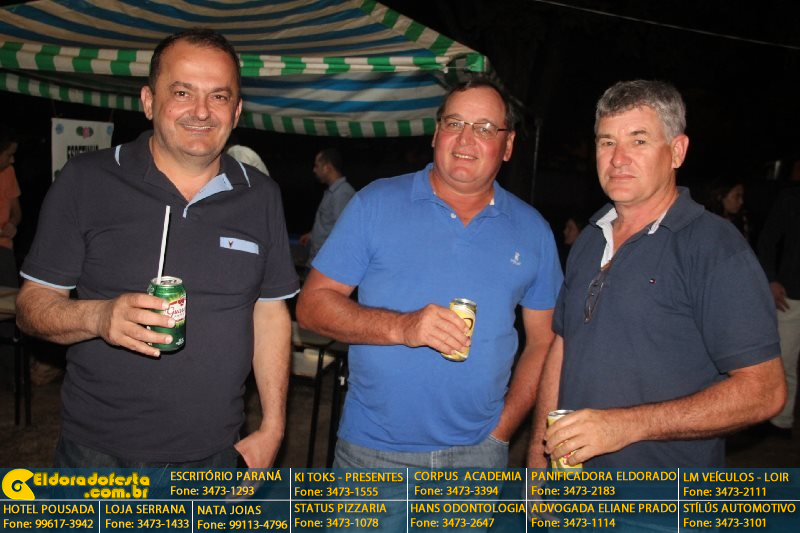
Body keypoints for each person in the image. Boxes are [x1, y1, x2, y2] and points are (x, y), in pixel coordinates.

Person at [15, 28, 299, 468]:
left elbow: (270, 313)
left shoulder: (261, 195)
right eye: (182, 92)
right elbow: (32, 307)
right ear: (148, 101)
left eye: (219, 96)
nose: (201, 111)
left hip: (216, 455)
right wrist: (98, 316)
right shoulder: (86, 180)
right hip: (97, 457)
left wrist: (273, 427)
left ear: (237, 110)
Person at [296, 77, 562, 470]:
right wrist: (403, 327)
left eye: (485, 128)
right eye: (454, 123)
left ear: (507, 146)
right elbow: (311, 307)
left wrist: (503, 430)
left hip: (479, 457)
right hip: (373, 453)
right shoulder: (375, 203)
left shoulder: (533, 230)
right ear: (436, 134)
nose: (465, 139)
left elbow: (544, 342)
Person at [528, 80, 784, 471]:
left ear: (677, 151)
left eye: (639, 140)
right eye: (607, 142)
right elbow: (562, 347)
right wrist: (538, 453)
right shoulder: (590, 238)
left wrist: (628, 425)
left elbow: (764, 391)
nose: (618, 159)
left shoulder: (714, 247)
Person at [757, 180, 800, 439]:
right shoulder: (791, 197)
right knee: (783, 360)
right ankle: (779, 421)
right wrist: (771, 278)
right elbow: (768, 239)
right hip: (792, 294)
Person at [298, 148, 355, 265]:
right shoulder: (332, 192)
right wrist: (312, 235)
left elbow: (343, 233)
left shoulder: (342, 194)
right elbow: (329, 223)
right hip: (317, 260)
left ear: (327, 168)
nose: (314, 170)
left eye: (317, 166)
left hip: (326, 265)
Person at [0, 124, 22, 288]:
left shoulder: (9, 172)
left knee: (10, 297)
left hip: (4, 248)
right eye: (9, 155)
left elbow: (17, 212)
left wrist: (12, 224)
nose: (12, 160)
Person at [704, 178, 751, 242]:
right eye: (737, 196)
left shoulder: (742, 220)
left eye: (742, 196)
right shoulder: (706, 222)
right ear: (720, 196)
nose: (741, 201)